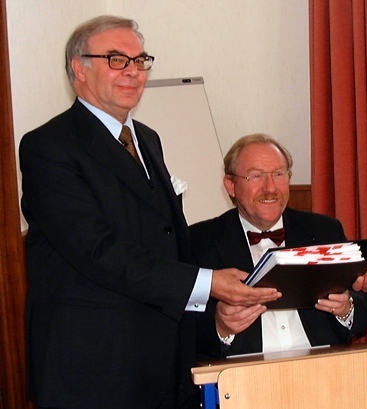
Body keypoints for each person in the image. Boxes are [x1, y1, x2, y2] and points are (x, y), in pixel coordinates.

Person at [19, 16, 279, 409]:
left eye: (140, 61)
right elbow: (97, 251)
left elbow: (165, 238)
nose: (133, 72)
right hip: (93, 365)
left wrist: (216, 309)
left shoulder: (147, 139)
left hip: (159, 356)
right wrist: (207, 283)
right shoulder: (49, 147)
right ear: (79, 69)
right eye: (116, 59)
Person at [177, 133, 367, 405]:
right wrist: (221, 327)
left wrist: (347, 309)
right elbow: (179, 325)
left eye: (278, 174)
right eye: (256, 176)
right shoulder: (198, 241)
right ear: (230, 185)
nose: (270, 187)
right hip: (241, 387)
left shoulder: (324, 230)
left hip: (326, 380)